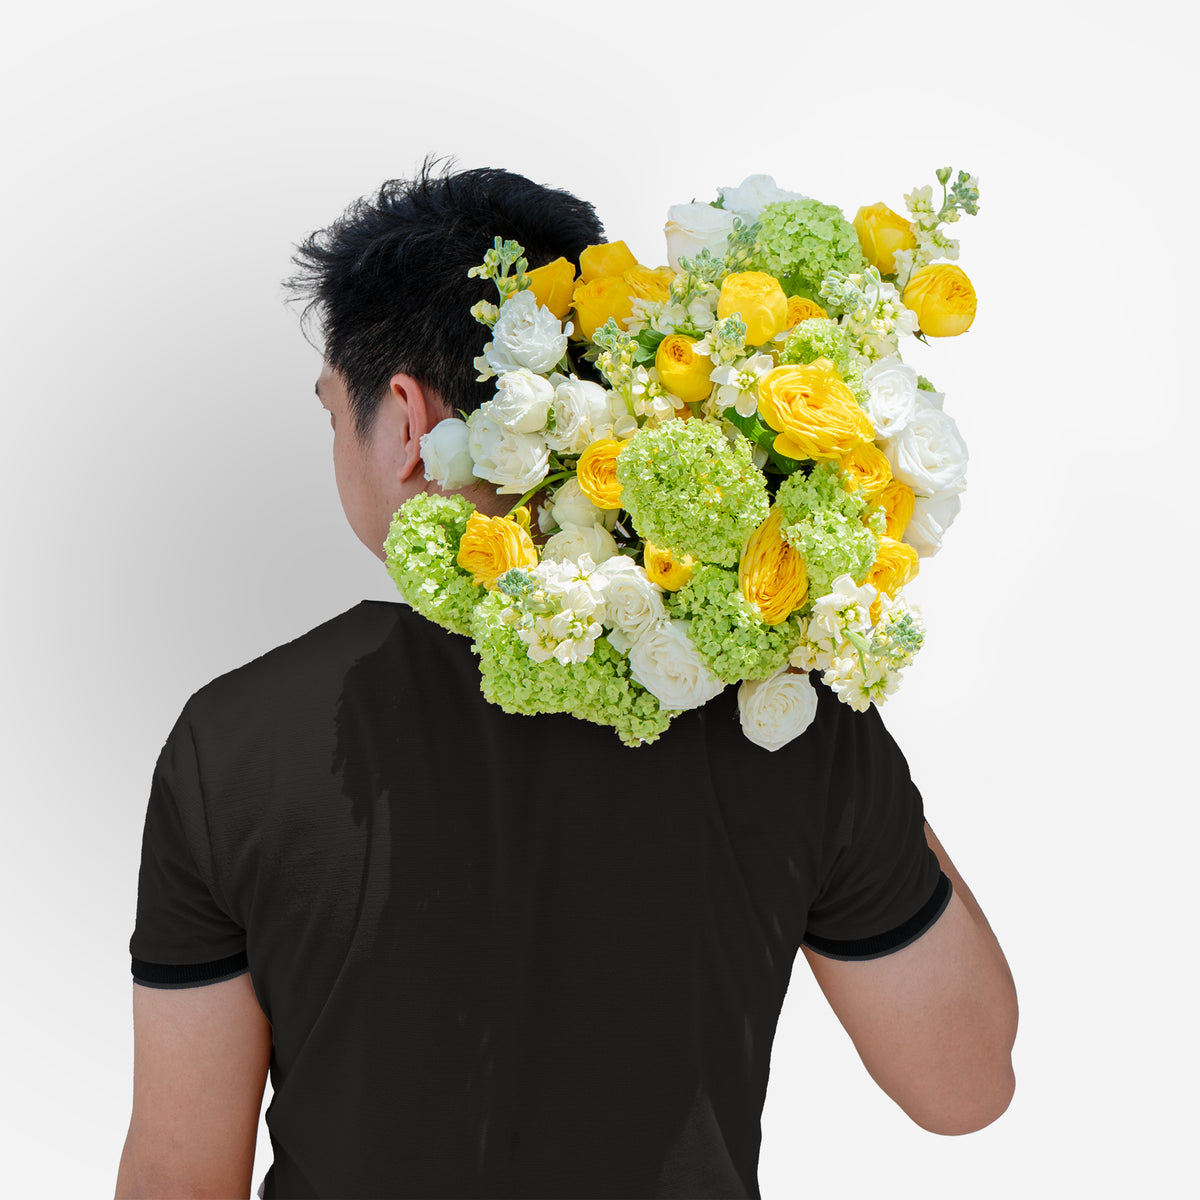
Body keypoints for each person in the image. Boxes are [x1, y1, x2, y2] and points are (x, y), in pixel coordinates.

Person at [115, 160, 1018, 1200]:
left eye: (334, 412)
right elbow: (966, 1085)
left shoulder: (236, 738)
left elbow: (184, 1177)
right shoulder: (777, 711)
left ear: (403, 420)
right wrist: (822, 678)